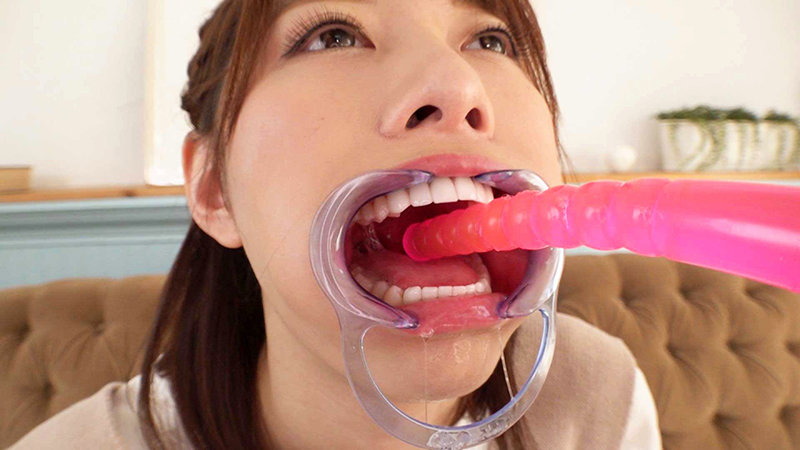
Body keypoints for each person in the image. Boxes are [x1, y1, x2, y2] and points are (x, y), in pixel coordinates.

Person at [12, 0, 660, 448]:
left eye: (491, 41)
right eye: (334, 35)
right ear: (214, 189)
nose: (457, 86)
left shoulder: (598, 394)